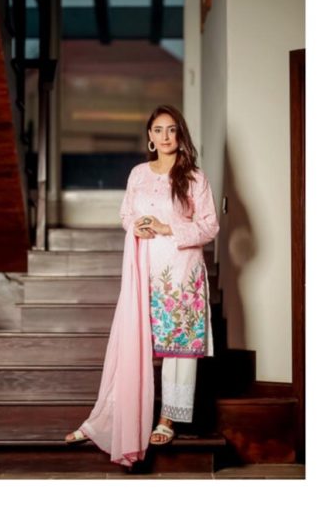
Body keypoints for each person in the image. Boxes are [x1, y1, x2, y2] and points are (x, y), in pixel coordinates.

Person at [64, 104, 220, 466]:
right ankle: (115, 417)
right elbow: (126, 214)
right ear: (149, 136)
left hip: (181, 272)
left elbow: (209, 225)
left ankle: (169, 418)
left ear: (180, 135)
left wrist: (167, 228)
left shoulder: (194, 177)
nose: (165, 137)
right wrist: (136, 226)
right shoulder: (138, 174)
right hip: (144, 268)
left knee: (178, 346)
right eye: (158, 130)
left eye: (171, 130)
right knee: (136, 344)